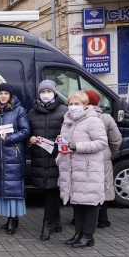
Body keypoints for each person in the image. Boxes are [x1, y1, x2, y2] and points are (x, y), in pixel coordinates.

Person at [56, 91, 108, 248]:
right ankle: (78, 233)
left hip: (88, 170)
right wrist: (60, 146)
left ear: (85, 105)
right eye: (71, 104)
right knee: (77, 203)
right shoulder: (67, 122)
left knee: (90, 203)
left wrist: (76, 146)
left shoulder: (93, 121)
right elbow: (64, 145)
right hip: (71, 169)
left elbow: (101, 143)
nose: (73, 107)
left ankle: (88, 236)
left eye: (77, 104)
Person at [28, 80, 67, 241]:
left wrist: (63, 141)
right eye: (42, 91)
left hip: (58, 157)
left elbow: (71, 134)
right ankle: (56, 222)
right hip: (40, 156)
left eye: (48, 91)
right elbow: (27, 133)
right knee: (49, 189)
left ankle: (47, 225)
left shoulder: (64, 111)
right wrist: (30, 139)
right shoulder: (32, 112)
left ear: (54, 93)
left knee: (51, 190)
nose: (45, 94)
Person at [0, 83, 31, 235]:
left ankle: (14, 219)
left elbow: (26, 130)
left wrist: (9, 139)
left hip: (14, 155)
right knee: (3, 190)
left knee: (13, 189)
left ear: (11, 96)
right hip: (0, 157)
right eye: (0, 93)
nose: (3, 96)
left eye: (6, 93)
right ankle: (9, 218)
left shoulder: (19, 110)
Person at [84, 90, 122, 229]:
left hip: (84, 158)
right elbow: (116, 139)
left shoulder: (77, 117)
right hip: (102, 157)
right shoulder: (106, 117)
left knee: (85, 187)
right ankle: (103, 219)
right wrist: (110, 153)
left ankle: (80, 219)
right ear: (98, 101)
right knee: (103, 186)